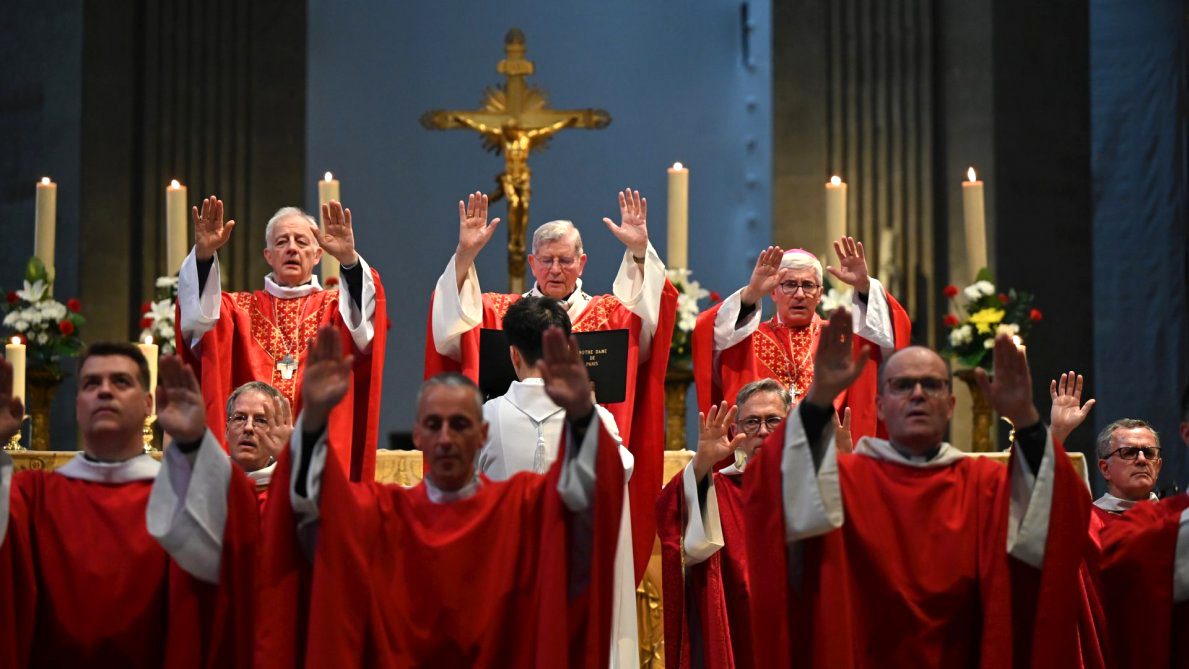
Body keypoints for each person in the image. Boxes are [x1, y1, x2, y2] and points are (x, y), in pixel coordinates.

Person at [744, 311, 1103, 667]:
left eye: (931, 385)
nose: (917, 394)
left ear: (950, 407)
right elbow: (770, 493)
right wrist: (819, 398)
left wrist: (1026, 420)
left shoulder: (985, 484)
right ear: (880, 407)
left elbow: (1060, 521)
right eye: (902, 385)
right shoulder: (842, 481)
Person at [257, 326, 626, 667]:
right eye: (434, 425)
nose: (446, 438)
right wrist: (315, 420)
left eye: (460, 424)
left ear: (482, 435)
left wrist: (581, 414)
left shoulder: (519, 507)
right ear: (417, 436)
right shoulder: (385, 514)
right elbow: (314, 512)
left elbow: (586, 501)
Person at [425, 189, 677, 580]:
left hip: (585, 456)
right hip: (511, 459)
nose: (556, 270)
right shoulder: (502, 313)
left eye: (565, 260)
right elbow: (451, 333)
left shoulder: (610, 314)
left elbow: (650, 332)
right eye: (547, 261)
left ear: (582, 262)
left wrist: (641, 252)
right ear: (532, 263)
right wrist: (465, 257)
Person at [0, 344, 257, 667]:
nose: (104, 391)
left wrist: (193, 441)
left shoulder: (180, 494)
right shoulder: (32, 496)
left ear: (149, 404)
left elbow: (239, 536)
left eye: (120, 381)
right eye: (92, 384)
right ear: (78, 406)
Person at [177, 196, 387, 481]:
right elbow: (199, 321)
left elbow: (364, 335)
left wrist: (349, 260)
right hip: (248, 469)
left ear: (317, 255)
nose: (291, 248)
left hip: (317, 462)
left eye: (301, 242)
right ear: (268, 255)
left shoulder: (336, 309)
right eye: (281, 242)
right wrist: (203, 257)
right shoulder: (238, 310)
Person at [478, 295, 638, 667]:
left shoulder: (481, 419)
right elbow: (619, 477)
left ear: (513, 354)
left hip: (504, 583)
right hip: (577, 585)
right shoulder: (596, 419)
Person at [692, 239, 911, 448]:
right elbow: (708, 335)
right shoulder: (744, 336)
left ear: (820, 294)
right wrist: (750, 294)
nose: (799, 294)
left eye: (808, 285)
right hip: (762, 453)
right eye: (789, 285)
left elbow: (890, 341)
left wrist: (864, 287)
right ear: (773, 291)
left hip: (828, 452)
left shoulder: (842, 338)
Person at [656, 379, 791, 669]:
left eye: (774, 421)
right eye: (752, 422)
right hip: (738, 628)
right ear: (735, 430)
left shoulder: (808, 485)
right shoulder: (718, 488)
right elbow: (675, 525)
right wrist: (702, 464)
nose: (763, 431)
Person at [1097, 491, 1189, 668]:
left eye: (1151, 460)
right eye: (1127, 459)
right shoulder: (1126, 528)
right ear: (1104, 470)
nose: (1141, 461)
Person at [224, 380, 293, 510]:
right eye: (240, 418)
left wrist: (289, 461)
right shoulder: (206, 482)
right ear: (227, 430)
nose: (248, 428)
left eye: (261, 420)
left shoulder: (290, 487)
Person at [1093, 419, 1162, 516]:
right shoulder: (1086, 521)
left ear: (1158, 467)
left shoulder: (1177, 519)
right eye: (1129, 453)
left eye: (1148, 453)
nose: (1142, 459)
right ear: (1106, 468)